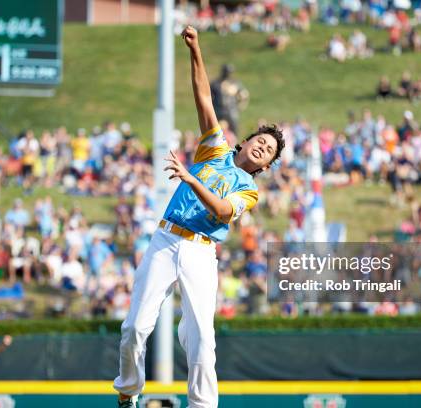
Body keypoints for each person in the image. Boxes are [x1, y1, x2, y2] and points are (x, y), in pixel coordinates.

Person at [113, 25, 285, 408]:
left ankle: (203, 405)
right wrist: (195, 49)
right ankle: (128, 392)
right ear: (246, 141)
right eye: (261, 139)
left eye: (270, 149)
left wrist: (191, 179)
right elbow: (204, 97)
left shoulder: (249, 190)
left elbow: (222, 211)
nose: (263, 146)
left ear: (268, 164)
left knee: (203, 337)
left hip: (200, 251)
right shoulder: (215, 150)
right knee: (135, 327)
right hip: (165, 238)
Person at [210, 64, 249, 136]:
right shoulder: (215, 83)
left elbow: (244, 95)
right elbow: (209, 96)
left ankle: (234, 144)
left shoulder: (235, 83)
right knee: (214, 129)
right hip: (218, 109)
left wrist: (241, 105)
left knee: (234, 128)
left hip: (231, 109)